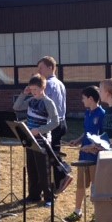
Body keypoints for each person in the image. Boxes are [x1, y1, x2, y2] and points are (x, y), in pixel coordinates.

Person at [13, 74, 72, 206]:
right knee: (32, 169)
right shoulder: (31, 101)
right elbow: (16, 107)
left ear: (43, 88)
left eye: (35, 90)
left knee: (43, 170)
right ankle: (34, 195)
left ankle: (49, 197)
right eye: (31, 90)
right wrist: (24, 93)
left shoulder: (48, 102)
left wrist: (40, 130)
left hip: (42, 141)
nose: (33, 92)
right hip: (30, 140)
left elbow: (56, 122)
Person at [64, 86, 105, 222]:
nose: (82, 101)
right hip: (83, 155)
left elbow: (104, 138)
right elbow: (86, 132)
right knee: (80, 185)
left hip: (95, 157)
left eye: (83, 98)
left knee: (96, 186)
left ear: (91, 99)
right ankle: (77, 211)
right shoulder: (87, 113)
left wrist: (93, 147)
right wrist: (78, 140)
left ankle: (97, 213)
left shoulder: (102, 114)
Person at [37, 56, 69, 190]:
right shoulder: (60, 83)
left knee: (49, 155)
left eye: (41, 68)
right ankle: (59, 180)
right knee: (54, 152)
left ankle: (62, 174)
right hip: (61, 122)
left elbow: (45, 104)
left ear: (50, 68)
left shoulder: (49, 84)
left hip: (53, 123)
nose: (39, 72)